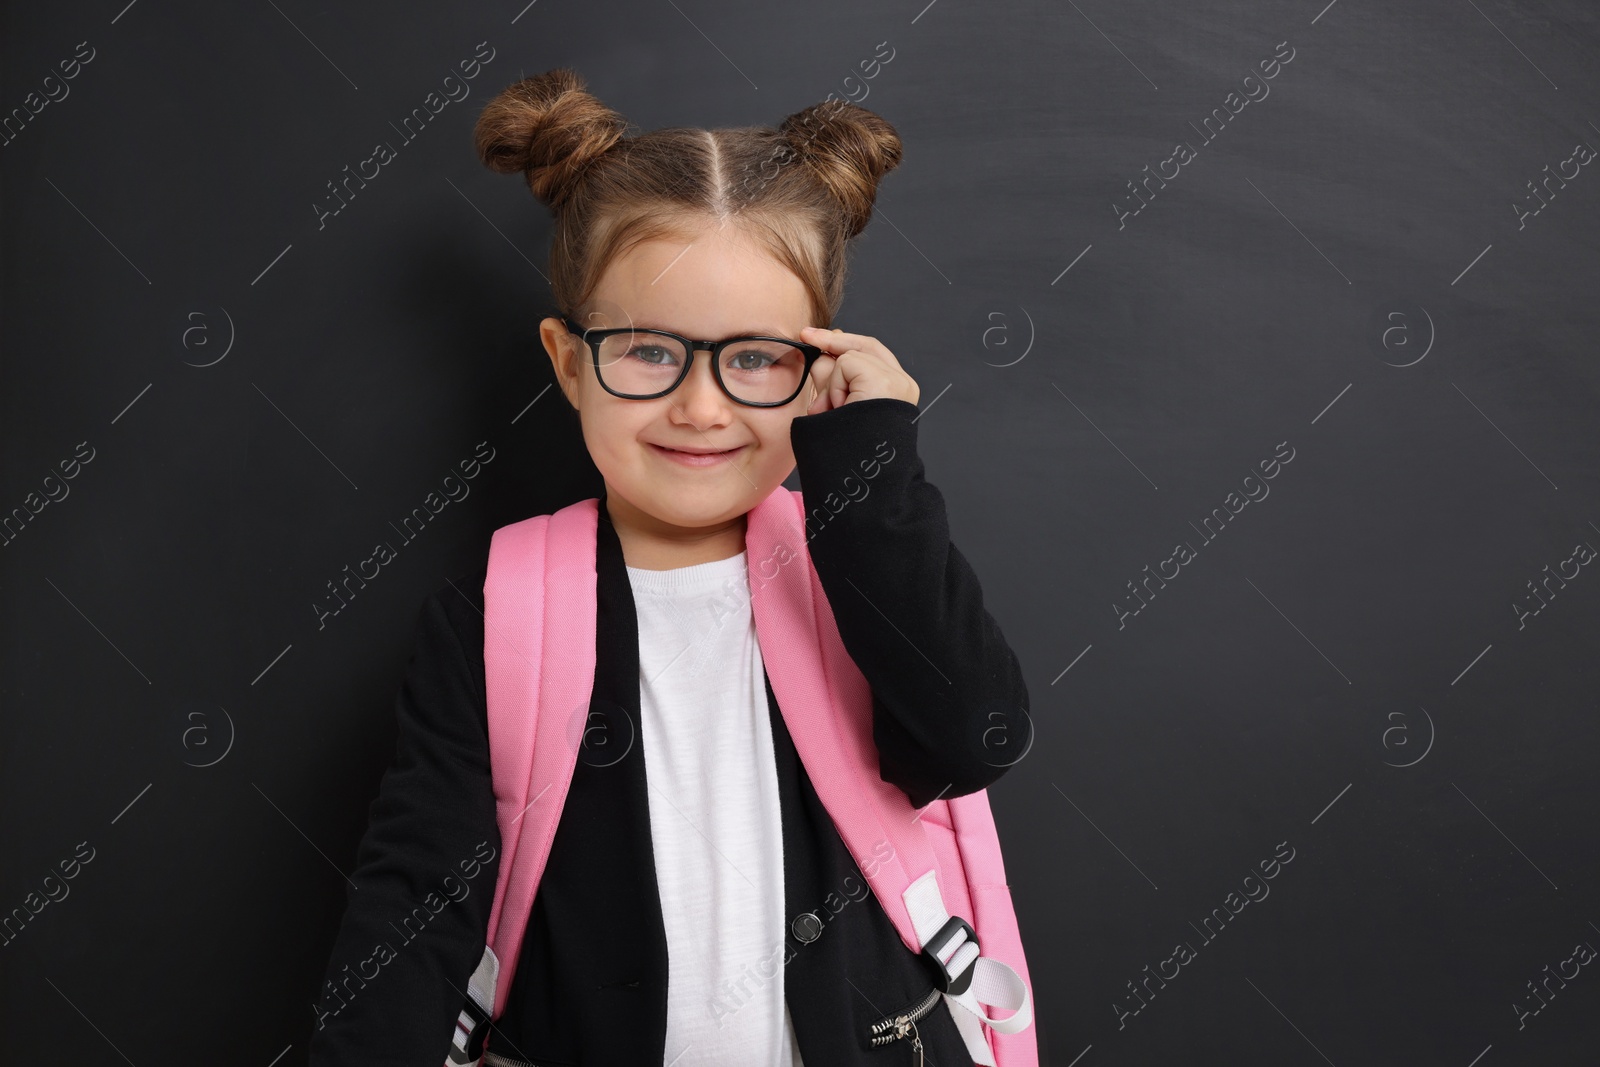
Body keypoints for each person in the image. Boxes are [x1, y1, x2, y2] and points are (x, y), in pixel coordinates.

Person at [307, 67, 1031, 1066]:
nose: (699, 407)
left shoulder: (857, 569)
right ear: (569, 363)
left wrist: (870, 465)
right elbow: (415, 904)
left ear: (820, 367)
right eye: (649, 351)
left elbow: (970, 736)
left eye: (756, 358)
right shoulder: (492, 613)